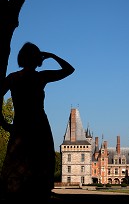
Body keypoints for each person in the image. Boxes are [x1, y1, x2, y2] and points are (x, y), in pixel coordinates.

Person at [0, 42, 75, 202]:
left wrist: (3, 123)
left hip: (21, 125)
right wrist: (52, 56)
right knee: (39, 162)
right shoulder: (40, 77)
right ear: (37, 59)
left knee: (18, 162)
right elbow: (69, 70)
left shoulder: (13, 78)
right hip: (39, 125)